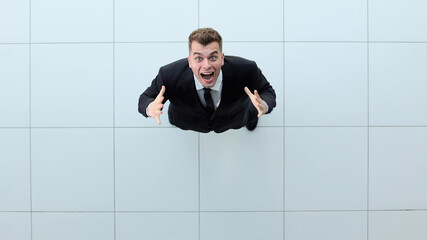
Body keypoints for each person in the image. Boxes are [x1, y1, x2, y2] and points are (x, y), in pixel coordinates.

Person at [138, 28, 276, 133]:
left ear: (222, 58)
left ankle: (252, 117)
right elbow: (145, 98)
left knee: (252, 111)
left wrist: (263, 105)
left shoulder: (246, 69)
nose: (206, 65)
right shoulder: (169, 74)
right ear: (189, 61)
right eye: (198, 58)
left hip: (235, 118)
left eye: (213, 57)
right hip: (185, 119)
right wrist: (151, 108)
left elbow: (267, 92)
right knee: (176, 120)